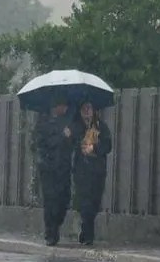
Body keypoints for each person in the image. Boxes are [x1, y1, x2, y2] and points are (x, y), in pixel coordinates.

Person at [69, 100, 113, 246]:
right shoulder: (75, 126)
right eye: (84, 108)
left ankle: (86, 228)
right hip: (82, 171)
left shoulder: (100, 126)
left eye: (89, 108)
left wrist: (94, 148)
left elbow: (107, 145)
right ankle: (89, 235)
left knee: (94, 203)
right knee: (85, 202)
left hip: (97, 171)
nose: (87, 111)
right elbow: (71, 143)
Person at [35, 96, 74, 246]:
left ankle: (56, 224)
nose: (65, 109)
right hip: (48, 168)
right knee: (51, 201)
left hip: (63, 168)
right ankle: (50, 232)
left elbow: (71, 144)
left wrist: (69, 137)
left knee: (64, 199)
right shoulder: (44, 123)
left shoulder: (67, 122)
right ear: (56, 107)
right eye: (63, 106)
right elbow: (44, 144)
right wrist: (62, 137)